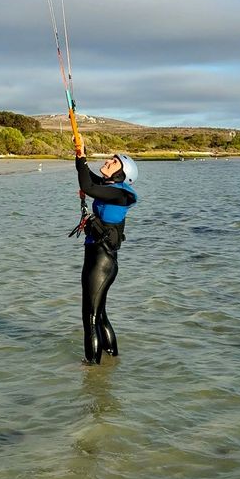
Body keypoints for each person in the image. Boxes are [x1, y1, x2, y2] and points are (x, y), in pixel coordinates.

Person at [73, 138, 138, 364]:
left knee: (89, 318)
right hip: (100, 259)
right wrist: (80, 153)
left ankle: (91, 372)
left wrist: (82, 162)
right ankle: (112, 360)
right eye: (111, 158)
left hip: (101, 263)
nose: (109, 161)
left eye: (114, 161)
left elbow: (87, 187)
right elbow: (87, 176)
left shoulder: (120, 195)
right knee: (99, 316)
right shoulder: (110, 188)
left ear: (122, 174)